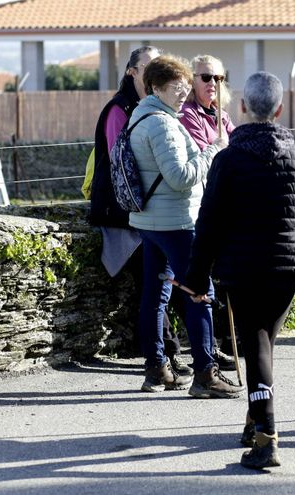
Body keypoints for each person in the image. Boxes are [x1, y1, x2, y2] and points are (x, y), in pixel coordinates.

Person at [187, 71, 295, 470]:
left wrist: (196, 277)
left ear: (243, 108)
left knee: (257, 350)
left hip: (242, 268)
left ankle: (266, 440)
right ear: (280, 109)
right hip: (286, 269)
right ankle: (254, 420)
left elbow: (209, 223)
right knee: (264, 345)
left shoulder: (228, 160)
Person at [128, 54, 241, 398]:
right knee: (200, 294)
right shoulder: (162, 123)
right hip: (175, 222)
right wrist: (212, 151)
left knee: (155, 295)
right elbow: (180, 178)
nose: (183, 94)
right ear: (156, 87)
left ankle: (157, 370)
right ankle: (206, 374)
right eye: (176, 89)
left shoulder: (141, 115)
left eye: (184, 88)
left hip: (150, 221)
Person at [87, 46, 192, 376]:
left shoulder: (153, 109)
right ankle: (165, 357)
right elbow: (127, 163)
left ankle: (167, 357)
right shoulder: (119, 110)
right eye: (148, 67)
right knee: (156, 288)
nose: (154, 71)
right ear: (132, 72)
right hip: (125, 214)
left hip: (147, 211)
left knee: (163, 286)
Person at [179, 54, 237, 370]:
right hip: (202, 207)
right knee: (202, 284)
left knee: (222, 279)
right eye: (205, 77)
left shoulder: (221, 115)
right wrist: (223, 147)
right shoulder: (187, 115)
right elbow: (211, 159)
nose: (212, 83)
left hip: (225, 204)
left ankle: (224, 342)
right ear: (192, 81)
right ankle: (207, 349)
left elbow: (235, 150)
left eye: (218, 77)